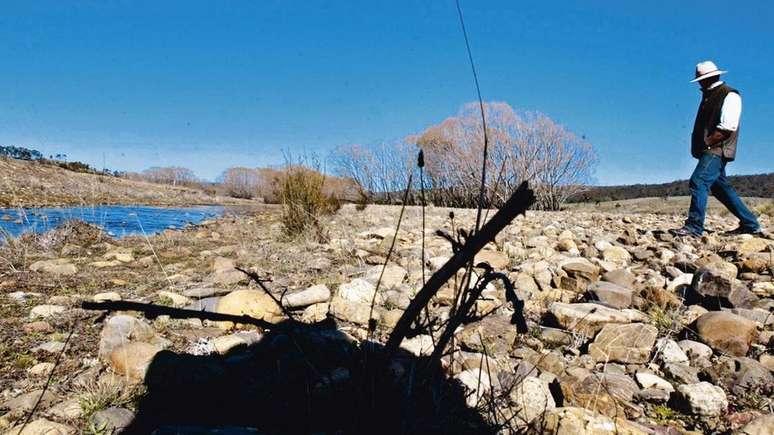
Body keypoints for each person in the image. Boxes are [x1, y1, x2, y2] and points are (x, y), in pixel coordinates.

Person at [671, 61, 763, 237]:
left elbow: (727, 127)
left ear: (708, 78)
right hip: (712, 147)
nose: (699, 83)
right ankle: (751, 224)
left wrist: (706, 143)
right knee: (720, 188)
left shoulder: (729, 95)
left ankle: (694, 227)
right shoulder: (710, 94)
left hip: (717, 148)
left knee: (698, 181)